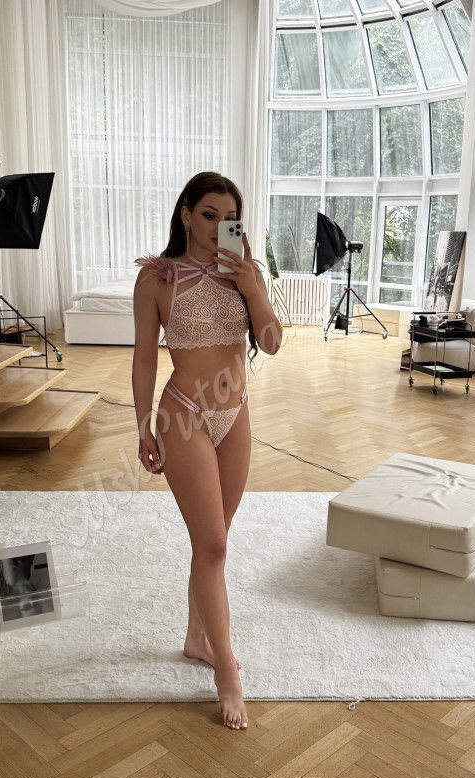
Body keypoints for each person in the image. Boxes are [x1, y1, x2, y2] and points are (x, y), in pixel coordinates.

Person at [132, 171, 282, 730]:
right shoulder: (157, 277)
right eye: (209, 215)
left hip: (234, 413)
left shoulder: (246, 272)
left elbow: (271, 342)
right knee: (214, 546)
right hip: (184, 416)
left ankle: (197, 637)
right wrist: (142, 426)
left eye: (230, 218)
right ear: (186, 216)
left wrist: (253, 288)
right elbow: (144, 356)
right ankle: (226, 670)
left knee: (212, 540)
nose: (220, 226)